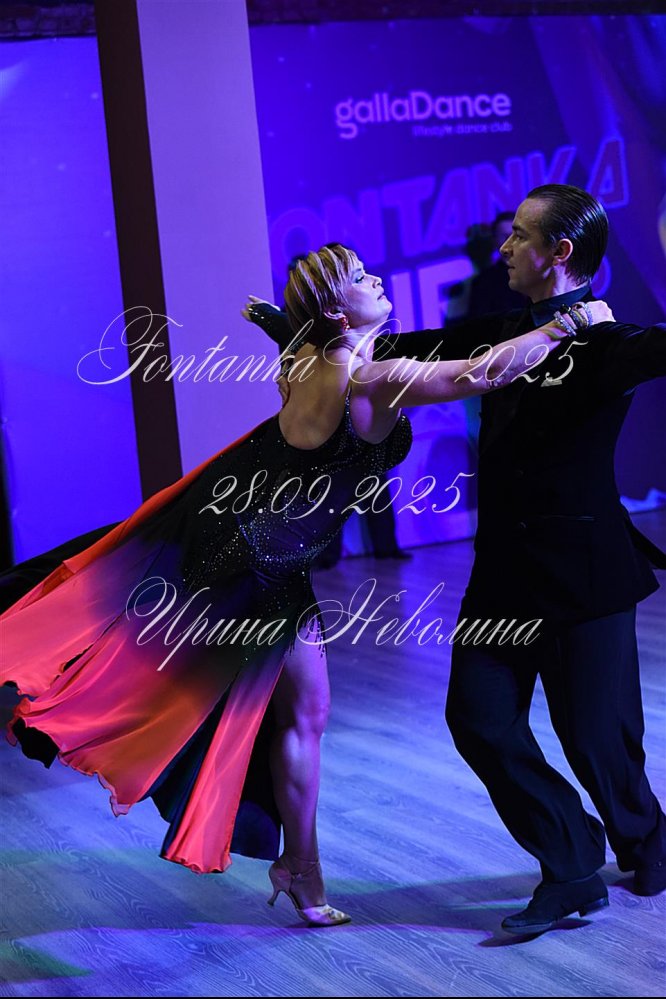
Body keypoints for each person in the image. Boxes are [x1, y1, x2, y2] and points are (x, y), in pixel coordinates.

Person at [0, 243, 605, 928]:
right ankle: (300, 869)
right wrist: (570, 322)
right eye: (361, 279)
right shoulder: (373, 380)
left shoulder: (303, 358)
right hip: (255, 564)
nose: (377, 279)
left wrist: (277, 323)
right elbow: (486, 370)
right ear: (336, 312)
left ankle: (301, 868)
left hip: (249, 543)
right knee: (254, 707)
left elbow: (303, 343)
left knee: (305, 713)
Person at [247, 187, 666, 935]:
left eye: (519, 236)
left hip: (586, 574)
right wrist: (305, 328)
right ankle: (571, 861)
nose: (503, 247)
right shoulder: (500, 331)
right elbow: (411, 355)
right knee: (478, 718)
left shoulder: (611, 342)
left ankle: (648, 842)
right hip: (503, 575)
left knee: (600, 740)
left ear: (559, 252)